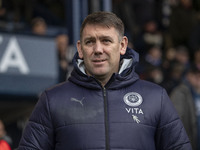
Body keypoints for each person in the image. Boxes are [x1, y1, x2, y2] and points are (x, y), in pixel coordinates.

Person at [17, 11, 192, 150]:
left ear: (122, 45)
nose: (98, 49)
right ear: (80, 48)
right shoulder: (52, 100)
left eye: (106, 41)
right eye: (90, 42)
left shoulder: (156, 98)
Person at [170, 65, 200, 150]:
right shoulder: (180, 93)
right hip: (189, 142)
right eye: (194, 75)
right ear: (187, 76)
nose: (197, 77)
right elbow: (176, 120)